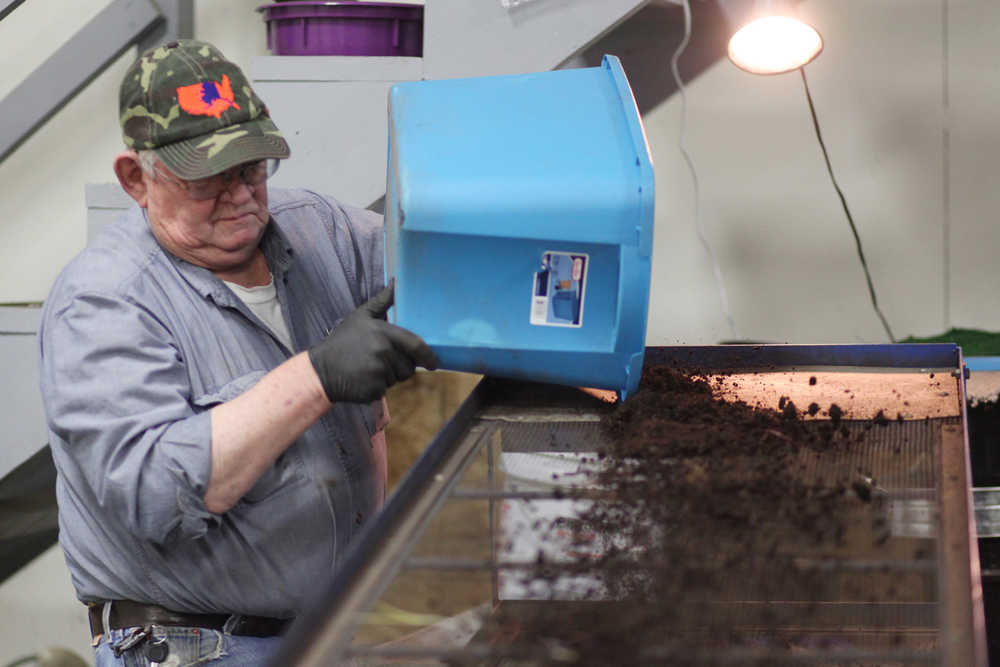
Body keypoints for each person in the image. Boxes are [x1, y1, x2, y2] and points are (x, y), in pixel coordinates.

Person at [37, 39, 437, 666]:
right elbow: (152, 494)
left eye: (251, 168)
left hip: (325, 631)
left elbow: (443, 277)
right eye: (208, 179)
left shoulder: (320, 231)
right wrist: (316, 377)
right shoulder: (103, 303)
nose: (241, 195)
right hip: (197, 645)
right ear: (136, 179)